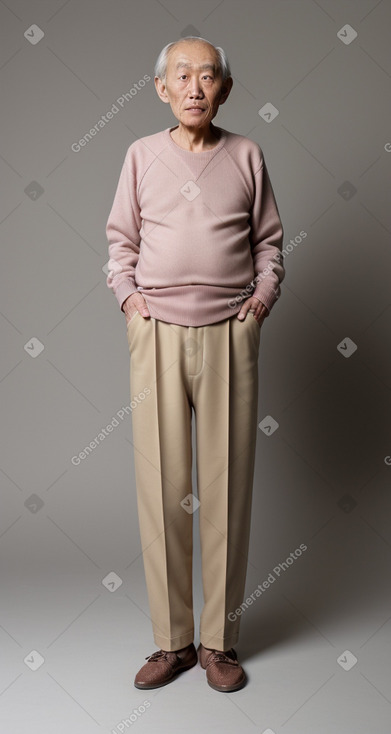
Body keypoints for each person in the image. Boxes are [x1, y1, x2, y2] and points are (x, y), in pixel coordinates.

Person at [106, 35, 285, 693]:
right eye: (181, 75)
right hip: (155, 331)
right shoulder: (140, 156)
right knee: (161, 487)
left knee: (226, 487)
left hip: (230, 333)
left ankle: (219, 642)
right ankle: (171, 641)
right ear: (160, 89)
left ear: (224, 89)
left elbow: (269, 243)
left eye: (207, 76)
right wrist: (129, 302)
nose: (193, 87)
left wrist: (260, 302)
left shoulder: (245, 155)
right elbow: (119, 241)